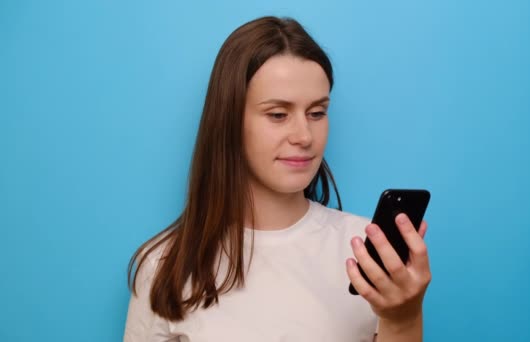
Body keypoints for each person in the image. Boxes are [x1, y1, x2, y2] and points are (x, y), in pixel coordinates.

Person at [123, 16, 431, 342]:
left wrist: (403, 317)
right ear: (228, 121)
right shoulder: (165, 265)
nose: (304, 136)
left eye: (316, 113)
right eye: (278, 115)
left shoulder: (367, 253)